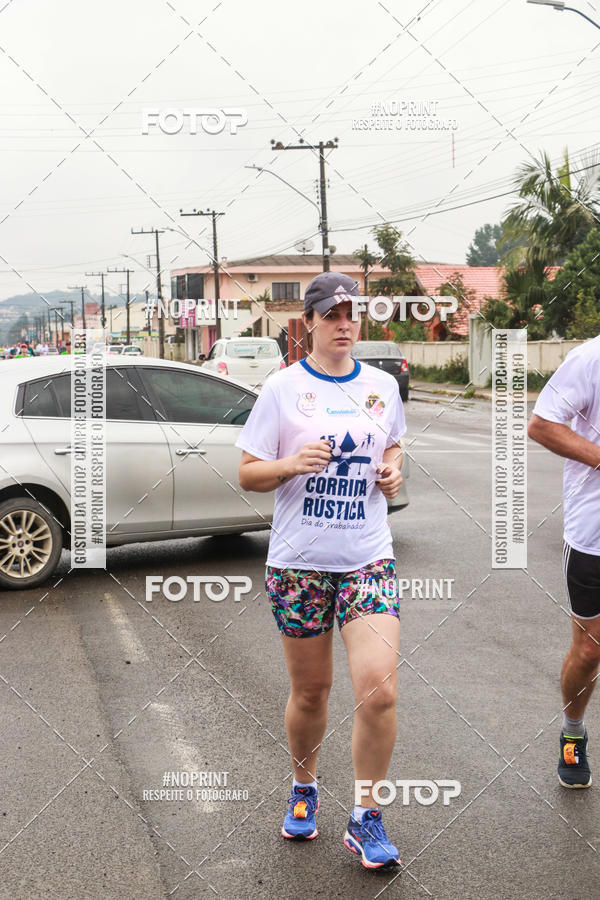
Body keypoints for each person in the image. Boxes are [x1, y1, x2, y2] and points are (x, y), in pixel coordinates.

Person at [236, 272, 406, 869]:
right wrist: (289, 463)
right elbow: (248, 473)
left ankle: (366, 817)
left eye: (350, 315)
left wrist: (391, 470)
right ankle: (304, 786)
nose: (343, 325)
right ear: (308, 321)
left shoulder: (383, 386)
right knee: (311, 692)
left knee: (379, 691)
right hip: (299, 565)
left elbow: (391, 446)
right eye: (330, 315)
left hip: (367, 557)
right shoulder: (281, 390)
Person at [528, 335, 600, 789]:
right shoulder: (589, 358)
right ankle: (572, 731)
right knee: (590, 649)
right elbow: (542, 425)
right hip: (594, 533)